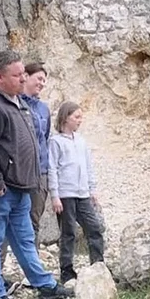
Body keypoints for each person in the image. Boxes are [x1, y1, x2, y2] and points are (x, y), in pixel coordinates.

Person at [0, 50, 73, 299]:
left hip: (20, 188)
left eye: (24, 73)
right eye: (17, 75)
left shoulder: (18, 102)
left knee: (24, 240)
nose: (22, 79)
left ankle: (43, 285)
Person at [0, 60, 52, 292]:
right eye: (38, 78)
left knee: (34, 223)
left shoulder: (43, 109)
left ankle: (34, 274)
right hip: (16, 174)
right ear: (25, 77)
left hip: (40, 172)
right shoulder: (14, 103)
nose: (41, 83)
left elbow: (44, 139)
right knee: (3, 223)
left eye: (44, 80)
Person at [47, 101, 105, 283]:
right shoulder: (55, 142)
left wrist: (92, 188)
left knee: (94, 228)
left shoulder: (81, 141)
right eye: (76, 117)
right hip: (65, 194)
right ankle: (66, 270)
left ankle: (98, 265)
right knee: (68, 232)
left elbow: (88, 166)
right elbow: (52, 169)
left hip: (82, 194)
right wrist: (55, 195)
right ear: (65, 118)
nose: (80, 120)